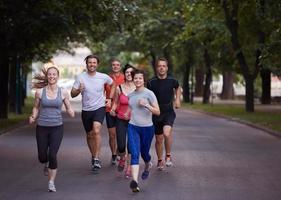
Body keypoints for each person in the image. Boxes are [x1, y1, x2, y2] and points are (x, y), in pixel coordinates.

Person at [29, 66, 75, 192]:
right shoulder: (40, 92)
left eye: (54, 74)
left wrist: (71, 111)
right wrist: (33, 116)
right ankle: (46, 162)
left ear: (58, 76)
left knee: (53, 154)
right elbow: (36, 107)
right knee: (42, 157)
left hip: (57, 128)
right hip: (42, 127)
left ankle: (51, 182)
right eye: (50, 74)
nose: (52, 76)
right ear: (47, 76)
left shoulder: (63, 92)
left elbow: (68, 106)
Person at [71, 55, 115, 173]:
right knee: (89, 134)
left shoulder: (103, 77)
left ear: (97, 64)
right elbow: (72, 94)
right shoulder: (80, 77)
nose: (92, 64)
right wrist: (78, 90)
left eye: (94, 62)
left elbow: (114, 84)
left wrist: (110, 98)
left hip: (99, 107)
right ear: (86, 64)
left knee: (96, 130)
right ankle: (93, 155)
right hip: (86, 110)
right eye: (90, 62)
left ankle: (96, 158)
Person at [127, 69, 160, 192]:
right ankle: (135, 182)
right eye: (135, 78)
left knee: (144, 153)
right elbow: (132, 110)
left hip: (147, 128)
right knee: (134, 154)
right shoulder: (130, 95)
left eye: (140, 78)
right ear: (132, 79)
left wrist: (146, 105)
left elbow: (158, 111)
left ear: (143, 80)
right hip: (133, 127)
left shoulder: (149, 93)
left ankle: (147, 165)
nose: (137, 80)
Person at [147, 58, 181, 171]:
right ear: (156, 68)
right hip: (156, 113)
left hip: (168, 112)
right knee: (158, 139)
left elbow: (177, 87)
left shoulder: (172, 80)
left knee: (166, 133)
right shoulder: (151, 82)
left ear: (167, 68)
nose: (161, 68)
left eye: (164, 66)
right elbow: (146, 94)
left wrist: (177, 100)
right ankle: (160, 160)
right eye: (159, 66)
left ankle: (168, 155)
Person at [109, 64, 136, 177]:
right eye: (127, 72)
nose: (129, 74)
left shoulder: (139, 88)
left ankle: (129, 168)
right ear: (124, 74)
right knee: (120, 145)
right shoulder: (120, 87)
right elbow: (115, 102)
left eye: (131, 72)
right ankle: (122, 157)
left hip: (134, 121)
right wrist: (112, 109)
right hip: (120, 119)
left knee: (131, 145)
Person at [105, 58, 124, 165]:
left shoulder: (125, 78)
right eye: (113, 65)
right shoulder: (106, 79)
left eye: (117, 65)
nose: (115, 66)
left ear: (120, 67)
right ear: (111, 67)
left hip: (122, 109)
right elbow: (102, 92)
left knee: (121, 134)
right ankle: (113, 154)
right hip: (109, 110)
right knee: (112, 134)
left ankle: (119, 151)